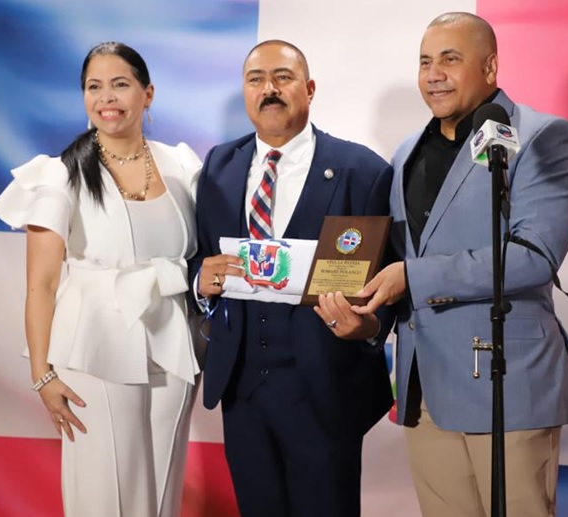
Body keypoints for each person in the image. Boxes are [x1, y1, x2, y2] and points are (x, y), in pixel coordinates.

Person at [352, 12, 568, 517]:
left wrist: (412, 278)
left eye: (450, 59)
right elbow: (398, 258)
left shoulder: (540, 135)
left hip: (507, 380)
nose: (433, 74)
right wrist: (363, 315)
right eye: (424, 62)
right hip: (424, 387)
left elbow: (534, 257)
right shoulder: (405, 152)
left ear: (490, 66)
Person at [0, 42, 202, 517]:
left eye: (120, 84)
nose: (107, 97)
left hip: (172, 340)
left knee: (163, 485)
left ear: (148, 94)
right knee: (107, 491)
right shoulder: (60, 175)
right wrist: (42, 374)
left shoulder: (182, 165)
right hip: (94, 346)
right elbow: (41, 286)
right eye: (94, 86)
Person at [190, 40, 394, 517]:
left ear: (310, 88)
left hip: (325, 390)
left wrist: (368, 326)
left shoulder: (362, 170)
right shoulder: (218, 167)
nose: (269, 89)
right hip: (242, 391)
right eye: (256, 79)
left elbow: (388, 278)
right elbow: (200, 257)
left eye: (282, 77)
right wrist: (200, 279)